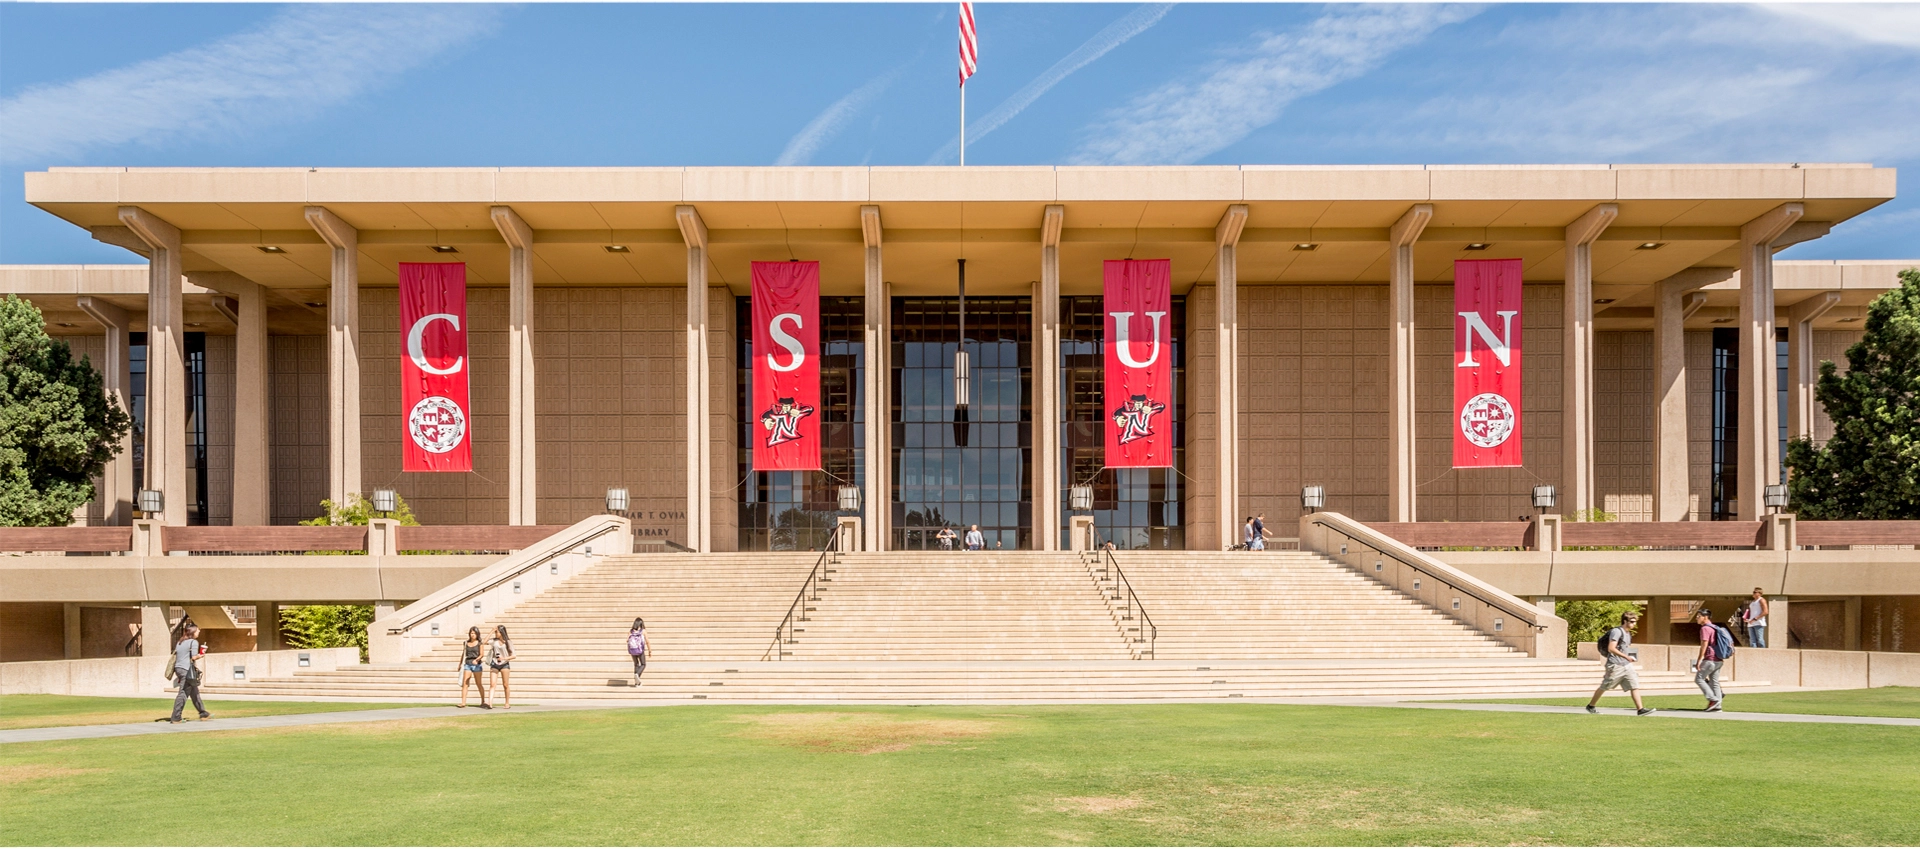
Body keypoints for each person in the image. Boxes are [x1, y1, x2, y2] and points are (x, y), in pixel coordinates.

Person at [1585, 610, 1655, 715]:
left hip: (1626, 665)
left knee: (1634, 685)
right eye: (1631, 621)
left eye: (1635, 621)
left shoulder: (1628, 634)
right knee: (1605, 686)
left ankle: (1640, 709)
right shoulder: (1617, 632)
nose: (1633, 624)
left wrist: (1627, 659)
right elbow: (1611, 648)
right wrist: (1626, 657)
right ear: (1624, 621)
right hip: (1615, 665)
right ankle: (1591, 706)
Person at [167, 624, 211, 723]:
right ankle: (176, 717)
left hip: (178, 668)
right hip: (187, 670)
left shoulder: (180, 642)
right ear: (193, 632)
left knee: (194, 691)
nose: (199, 632)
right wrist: (201, 655)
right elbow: (193, 657)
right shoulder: (193, 642)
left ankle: (203, 713)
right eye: (197, 630)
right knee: (183, 693)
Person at [1692, 608, 1728, 711]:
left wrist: (1699, 660)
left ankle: (1713, 700)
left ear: (1705, 617)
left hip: (1710, 659)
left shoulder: (1705, 629)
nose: (1697, 618)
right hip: (1719, 660)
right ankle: (1718, 706)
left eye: (1699, 616)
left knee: (1699, 679)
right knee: (1714, 681)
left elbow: (1704, 644)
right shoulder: (1715, 628)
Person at [459, 626, 490, 709]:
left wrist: (477, 659)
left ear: (477, 634)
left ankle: (483, 701)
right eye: (471, 633)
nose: (472, 635)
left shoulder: (480, 643)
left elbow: (482, 654)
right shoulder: (466, 643)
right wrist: (460, 664)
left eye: (474, 633)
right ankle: (463, 702)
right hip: (468, 663)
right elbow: (463, 653)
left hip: (477, 664)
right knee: (465, 683)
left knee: (478, 683)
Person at [487, 625, 516, 709]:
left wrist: (504, 658)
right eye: (496, 632)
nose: (496, 633)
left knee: (505, 684)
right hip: (495, 663)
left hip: (504, 664)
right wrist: (491, 631)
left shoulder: (508, 642)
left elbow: (514, 656)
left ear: (501, 632)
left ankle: (507, 703)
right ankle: (490, 703)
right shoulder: (494, 641)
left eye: (497, 632)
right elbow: (484, 641)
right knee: (492, 684)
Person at [627, 618, 649, 686]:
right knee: (643, 664)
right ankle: (637, 675)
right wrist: (650, 651)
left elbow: (627, 640)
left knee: (636, 664)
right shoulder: (643, 631)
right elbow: (647, 642)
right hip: (640, 650)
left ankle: (637, 683)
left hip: (633, 650)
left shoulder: (631, 631)